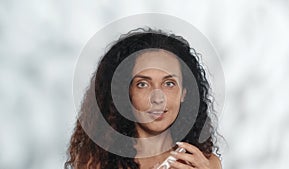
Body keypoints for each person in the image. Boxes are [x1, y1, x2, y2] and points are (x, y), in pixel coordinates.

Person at [65, 28, 222, 169]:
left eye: (169, 83)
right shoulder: (96, 163)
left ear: (184, 93)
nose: (157, 98)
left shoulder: (204, 163)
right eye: (143, 84)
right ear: (126, 94)